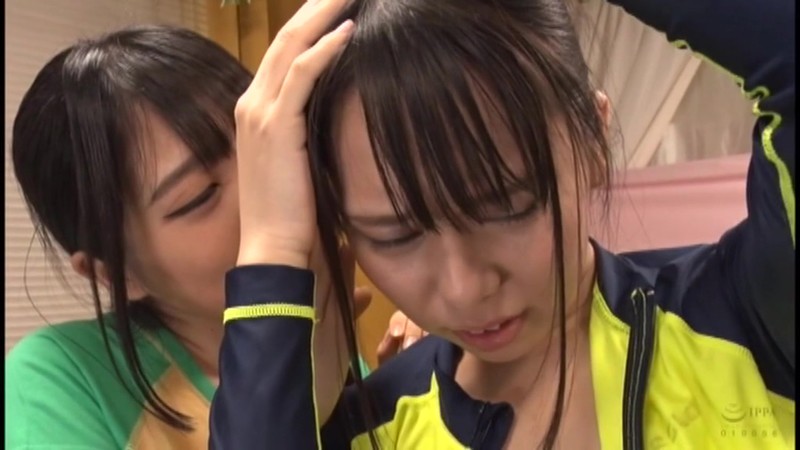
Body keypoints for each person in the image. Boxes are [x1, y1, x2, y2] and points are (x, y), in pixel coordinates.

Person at [208, 0, 795, 449]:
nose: (466, 288)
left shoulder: (745, 321)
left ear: (593, 140)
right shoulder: (375, 431)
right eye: (394, 236)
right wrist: (271, 247)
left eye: (507, 207)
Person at [5, 24, 423, 449]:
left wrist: (408, 392)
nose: (274, 189)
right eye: (200, 195)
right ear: (115, 273)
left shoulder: (321, 344)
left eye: (265, 150)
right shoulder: (57, 381)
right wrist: (290, 407)